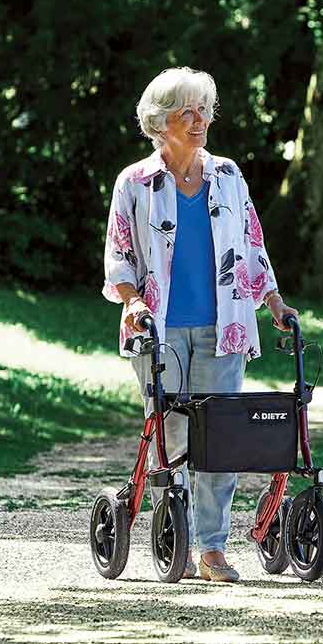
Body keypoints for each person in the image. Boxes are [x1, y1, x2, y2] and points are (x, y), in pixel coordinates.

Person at [102, 67, 298, 583]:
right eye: (187, 111)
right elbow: (120, 255)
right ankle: (178, 543)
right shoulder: (135, 183)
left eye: (204, 109)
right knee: (172, 436)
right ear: (159, 121)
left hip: (223, 328)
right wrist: (129, 302)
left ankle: (213, 549)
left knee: (220, 441)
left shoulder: (229, 176)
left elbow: (253, 245)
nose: (199, 120)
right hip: (159, 330)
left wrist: (274, 302)